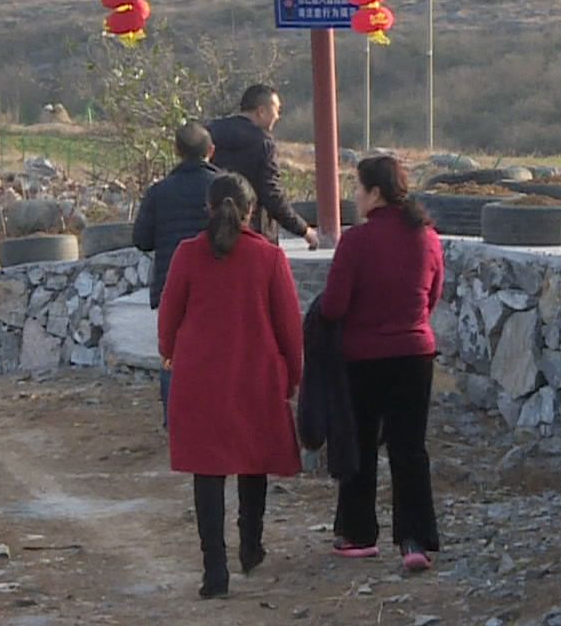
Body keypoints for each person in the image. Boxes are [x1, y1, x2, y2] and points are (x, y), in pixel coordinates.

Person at [157, 173, 304, 599]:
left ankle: (214, 571)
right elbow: (290, 328)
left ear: (207, 208)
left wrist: (168, 354)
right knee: (252, 459)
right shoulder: (270, 258)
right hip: (256, 375)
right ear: (251, 211)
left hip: (199, 378)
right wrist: (293, 376)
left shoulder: (187, 255)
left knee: (208, 471)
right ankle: (251, 546)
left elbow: (169, 316)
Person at [318, 155, 445, 573]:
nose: (354, 197)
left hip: (363, 357)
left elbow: (334, 304)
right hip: (415, 354)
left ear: (374, 192)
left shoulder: (356, 242)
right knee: (410, 448)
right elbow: (432, 296)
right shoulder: (427, 237)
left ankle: (358, 534)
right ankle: (415, 540)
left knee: (362, 445)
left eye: (357, 188)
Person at [132, 121, 220, 428]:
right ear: (211, 151)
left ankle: (176, 420)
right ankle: (215, 414)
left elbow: (141, 239)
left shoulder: (158, 192)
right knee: (216, 354)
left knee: (173, 354)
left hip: (172, 286)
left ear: (176, 151)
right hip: (217, 286)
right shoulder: (222, 187)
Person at [207, 85, 320, 251]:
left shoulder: (210, 133)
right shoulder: (263, 143)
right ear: (261, 111)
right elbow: (272, 195)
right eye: (276, 110)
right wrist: (303, 229)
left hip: (213, 232)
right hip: (254, 232)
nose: (278, 116)